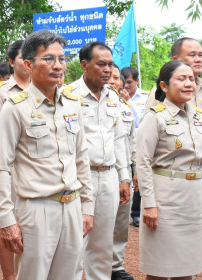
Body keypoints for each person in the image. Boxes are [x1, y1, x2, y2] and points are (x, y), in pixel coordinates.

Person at [0, 29, 94, 280]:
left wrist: (88, 206)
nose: (58, 65)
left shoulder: (72, 104)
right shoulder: (15, 108)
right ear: (28, 64)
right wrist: (7, 220)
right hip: (36, 209)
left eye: (61, 58)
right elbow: (2, 168)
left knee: (68, 275)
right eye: (49, 59)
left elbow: (81, 157)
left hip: (71, 206)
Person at [137, 60, 202, 280]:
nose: (188, 83)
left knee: (187, 268)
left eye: (191, 79)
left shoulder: (199, 117)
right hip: (165, 201)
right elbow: (142, 162)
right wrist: (149, 204)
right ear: (164, 86)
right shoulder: (155, 117)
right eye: (181, 79)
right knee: (159, 269)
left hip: (193, 200)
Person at [70, 42, 130, 280]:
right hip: (77, 178)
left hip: (108, 176)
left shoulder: (113, 97)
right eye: (101, 64)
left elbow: (119, 139)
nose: (107, 70)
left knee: (103, 243)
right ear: (84, 65)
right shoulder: (68, 95)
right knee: (74, 243)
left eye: (110, 64)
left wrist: (124, 176)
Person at [145, 37, 202, 178]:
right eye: (192, 54)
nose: (198, 59)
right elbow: (148, 135)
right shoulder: (161, 91)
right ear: (175, 59)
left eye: (200, 55)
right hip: (173, 173)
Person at [0, 39, 31, 280]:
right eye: (21, 58)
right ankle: (8, 275)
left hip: (34, 166)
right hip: (8, 165)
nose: (28, 63)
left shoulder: (43, 87)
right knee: (5, 219)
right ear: (11, 62)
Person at [108, 64, 136, 280]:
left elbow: (132, 143)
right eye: (109, 76)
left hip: (124, 172)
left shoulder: (126, 107)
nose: (113, 81)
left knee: (120, 223)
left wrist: (133, 170)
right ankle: (86, 267)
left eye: (117, 77)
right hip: (99, 171)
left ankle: (115, 266)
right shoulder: (82, 103)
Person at [120, 66, 148, 228]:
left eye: (130, 82)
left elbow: (139, 122)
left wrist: (128, 102)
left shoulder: (144, 98)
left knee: (139, 178)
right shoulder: (114, 96)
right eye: (125, 82)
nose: (127, 86)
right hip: (124, 144)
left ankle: (136, 212)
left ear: (136, 81)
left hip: (140, 144)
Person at [0, 39, 31, 113]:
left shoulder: (42, 89)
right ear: (11, 62)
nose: (28, 62)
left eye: (31, 58)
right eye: (23, 58)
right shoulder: (0, 92)